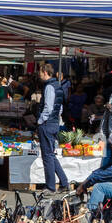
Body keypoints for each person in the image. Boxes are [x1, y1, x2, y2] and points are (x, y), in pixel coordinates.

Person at [34, 63, 70, 194]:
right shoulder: (57, 85)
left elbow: (48, 108)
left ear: (45, 72)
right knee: (51, 155)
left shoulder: (49, 86)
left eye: (40, 72)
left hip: (47, 124)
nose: (38, 74)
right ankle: (64, 183)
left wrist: (39, 121)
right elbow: (59, 107)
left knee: (47, 157)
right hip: (54, 123)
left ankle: (50, 187)